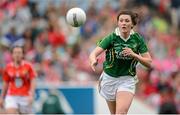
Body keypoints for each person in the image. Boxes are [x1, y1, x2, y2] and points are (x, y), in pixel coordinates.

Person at [89, 10, 152, 114]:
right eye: (121, 20)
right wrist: (93, 61)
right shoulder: (112, 37)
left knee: (121, 113)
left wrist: (134, 55)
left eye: (127, 21)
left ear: (132, 24)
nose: (123, 23)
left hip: (127, 79)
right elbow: (93, 54)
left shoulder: (137, 39)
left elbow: (149, 62)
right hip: (109, 79)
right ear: (118, 23)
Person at [0, 45, 37, 114]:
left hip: (25, 96)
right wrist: (2, 97)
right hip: (12, 96)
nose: (17, 55)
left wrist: (31, 95)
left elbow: (33, 80)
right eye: (15, 53)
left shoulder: (28, 66)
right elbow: (5, 83)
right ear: (12, 55)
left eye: (19, 53)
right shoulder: (8, 67)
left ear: (23, 55)